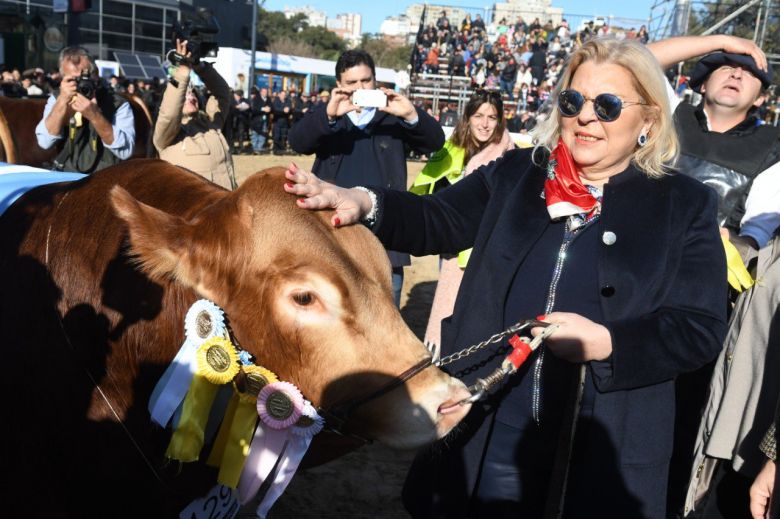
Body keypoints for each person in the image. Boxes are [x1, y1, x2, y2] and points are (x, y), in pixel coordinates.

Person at [284, 37, 727, 518]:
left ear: (649, 119)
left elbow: (698, 326)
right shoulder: (519, 173)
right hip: (491, 424)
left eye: (608, 105)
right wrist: (365, 200)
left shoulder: (684, 204)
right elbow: (438, 218)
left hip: (605, 444)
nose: (586, 117)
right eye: (573, 101)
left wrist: (608, 342)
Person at [647, 36, 780, 516]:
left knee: (682, 423)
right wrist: (722, 38)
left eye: (749, 72)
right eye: (724, 64)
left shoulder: (774, 148)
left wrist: (721, 251)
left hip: (708, 307)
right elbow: (633, 58)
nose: (735, 72)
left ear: (761, 96)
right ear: (701, 80)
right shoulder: (666, 115)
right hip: (632, 287)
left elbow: (758, 231)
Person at [288, 49, 445, 306]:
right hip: (332, 228)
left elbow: (435, 142)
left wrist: (411, 115)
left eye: (366, 80)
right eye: (351, 82)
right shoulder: (329, 114)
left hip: (385, 231)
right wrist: (327, 116)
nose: (360, 87)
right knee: (334, 311)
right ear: (339, 85)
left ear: (375, 79)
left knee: (386, 308)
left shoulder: (392, 115)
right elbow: (297, 142)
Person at [409, 89, 515, 358]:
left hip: (484, 252)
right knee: (450, 307)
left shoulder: (507, 154)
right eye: (479, 115)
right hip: (452, 247)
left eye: (492, 117)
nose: (485, 123)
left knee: (474, 315)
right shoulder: (452, 149)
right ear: (467, 117)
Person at [35, 46, 135, 173]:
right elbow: (44, 142)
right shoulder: (58, 98)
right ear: (62, 79)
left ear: (96, 76)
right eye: (73, 79)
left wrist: (95, 116)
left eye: (85, 78)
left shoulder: (118, 103)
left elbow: (125, 151)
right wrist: (62, 101)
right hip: (67, 178)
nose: (81, 85)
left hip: (105, 178)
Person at [152, 38, 235, 190]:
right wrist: (182, 71)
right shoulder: (166, 136)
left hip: (226, 207)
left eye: (193, 94)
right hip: (192, 212)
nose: (191, 97)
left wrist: (199, 65)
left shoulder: (210, 124)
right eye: (185, 96)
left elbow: (222, 93)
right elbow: (169, 112)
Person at [249, 86, 271, 154]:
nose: (265, 93)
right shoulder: (256, 99)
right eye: (264, 92)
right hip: (256, 120)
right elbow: (254, 109)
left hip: (265, 120)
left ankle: (259, 148)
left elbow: (272, 107)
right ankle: (254, 148)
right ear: (261, 92)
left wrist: (269, 108)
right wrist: (263, 109)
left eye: (266, 92)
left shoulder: (268, 99)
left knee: (263, 133)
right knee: (255, 133)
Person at [271, 89, 291, 155]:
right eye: (282, 95)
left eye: (284, 95)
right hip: (277, 121)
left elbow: (289, 108)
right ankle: (276, 150)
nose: (283, 96)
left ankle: (282, 150)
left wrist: (288, 109)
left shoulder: (288, 100)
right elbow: (275, 109)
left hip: (285, 121)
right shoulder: (276, 101)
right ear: (279, 95)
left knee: (283, 136)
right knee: (277, 136)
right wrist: (283, 110)